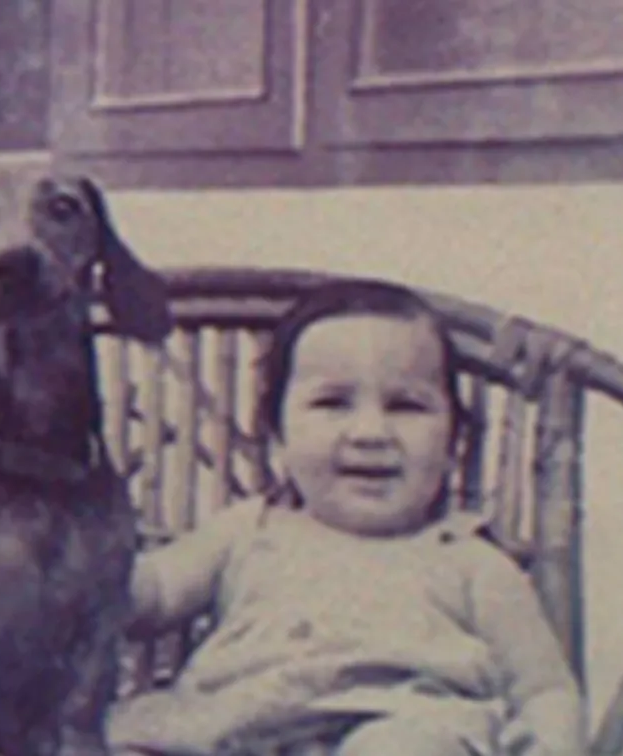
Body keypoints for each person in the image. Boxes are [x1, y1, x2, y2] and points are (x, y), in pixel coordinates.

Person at [107, 279, 586, 756]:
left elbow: (545, 689)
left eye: (406, 405)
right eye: (332, 403)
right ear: (278, 437)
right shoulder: (248, 530)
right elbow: (151, 593)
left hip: (397, 720)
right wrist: (72, 565)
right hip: (229, 729)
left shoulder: (471, 563)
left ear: (453, 443)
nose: (370, 431)